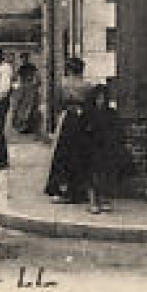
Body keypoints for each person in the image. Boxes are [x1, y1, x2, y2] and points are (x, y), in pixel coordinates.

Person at [43, 57, 91, 202]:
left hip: (68, 119)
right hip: (82, 121)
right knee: (79, 154)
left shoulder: (63, 84)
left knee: (63, 153)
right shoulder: (87, 85)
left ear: (69, 69)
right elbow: (89, 104)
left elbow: (58, 103)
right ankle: (79, 189)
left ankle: (62, 188)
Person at [79, 83, 130, 214]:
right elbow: (81, 131)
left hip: (106, 149)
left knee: (105, 175)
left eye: (103, 98)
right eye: (98, 98)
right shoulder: (88, 113)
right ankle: (92, 202)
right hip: (91, 149)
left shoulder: (111, 113)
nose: (100, 101)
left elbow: (118, 131)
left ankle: (105, 200)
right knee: (92, 176)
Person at [11, 52, 41, 134]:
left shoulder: (32, 67)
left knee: (29, 106)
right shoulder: (21, 68)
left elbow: (37, 77)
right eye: (22, 58)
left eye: (25, 58)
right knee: (21, 107)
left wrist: (34, 84)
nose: (23, 60)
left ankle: (27, 126)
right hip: (23, 88)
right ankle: (21, 126)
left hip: (29, 88)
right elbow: (17, 78)